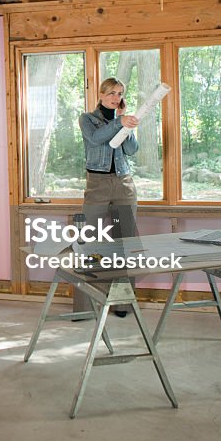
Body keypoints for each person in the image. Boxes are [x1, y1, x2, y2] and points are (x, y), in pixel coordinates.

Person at [74, 77, 141, 318]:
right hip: (97, 185)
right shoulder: (87, 119)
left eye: (120, 93)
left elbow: (132, 150)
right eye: (112, 92)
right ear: (101, 95)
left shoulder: (124, 119)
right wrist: (118, 122)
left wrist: (127, 125)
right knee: (87, 242)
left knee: (125, 243)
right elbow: (96, 138)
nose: (116, 97)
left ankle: (122, 304)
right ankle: (85, 305)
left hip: (124, 184)